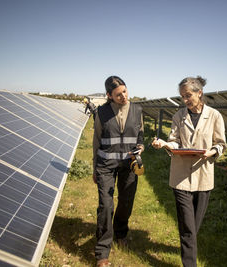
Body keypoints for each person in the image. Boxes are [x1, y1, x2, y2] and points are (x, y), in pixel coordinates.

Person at [152, 76, 226, 267]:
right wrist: (165, 143)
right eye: (182, 97)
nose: (185, 100)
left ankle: (187, 249)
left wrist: (212, 152)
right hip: (181, 177)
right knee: (187, 227)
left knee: (193, 226)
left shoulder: (215, 116)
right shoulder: (178, 116)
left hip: (203, 177)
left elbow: (221, 144)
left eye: (188, 95)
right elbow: (175, 140)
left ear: (199, 93)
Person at [93, 76, 144, 267]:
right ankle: (102, 252)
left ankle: (121, 232)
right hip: (105, 165)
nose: (123, 96)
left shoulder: (137, 110)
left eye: (125, 91)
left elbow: (140, 135)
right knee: (106, 206)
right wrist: (94, 168)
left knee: (126, 201)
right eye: (118, 94)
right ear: (109, 96)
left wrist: (141, 147)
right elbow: (96, 140)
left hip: (129, 164)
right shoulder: (102, 112)